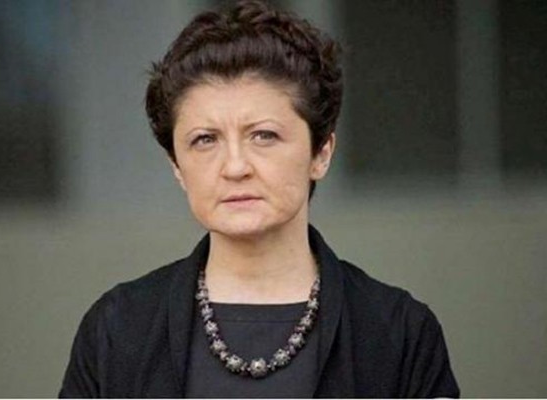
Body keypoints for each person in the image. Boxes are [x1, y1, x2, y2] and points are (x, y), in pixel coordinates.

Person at [59, 0, 459, 397]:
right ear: (176, 166)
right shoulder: (118, 330)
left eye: (264, 135)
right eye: (205, 140)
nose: (235, 167)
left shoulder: (398, 333)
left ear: (321, 152)